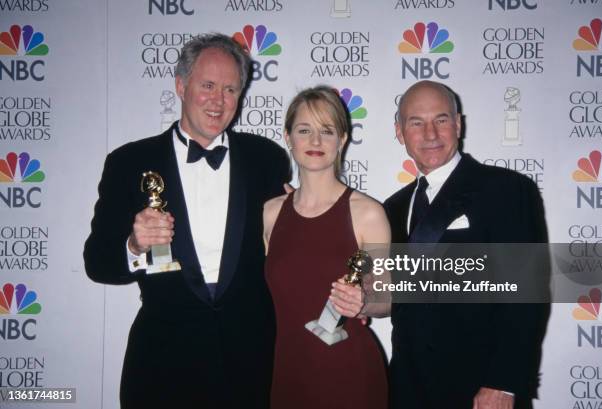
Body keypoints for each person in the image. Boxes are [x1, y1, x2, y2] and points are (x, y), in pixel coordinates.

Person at [83, 34, 290, 408]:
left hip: (248, 362)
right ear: (180, 85)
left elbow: (286, 248)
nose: (219, 100)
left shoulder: (267, 158)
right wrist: (134, 245)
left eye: (230, 89)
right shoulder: (129, 162)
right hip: (162, 363)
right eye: (207, 85)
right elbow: (97, 264)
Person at [382, 80, 549, 409]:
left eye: (441, 120)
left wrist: (502, 383)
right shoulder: (392, 208)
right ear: (400, 132)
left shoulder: (506, 190)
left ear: (458, 124)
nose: (430, 134)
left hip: (480, 389)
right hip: (407, 388)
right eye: (416, 122)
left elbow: (527, 294)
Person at [263, 86, 389, 409]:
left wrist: (363, 302)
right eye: (304, 130)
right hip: (287, 373)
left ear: (342, 139)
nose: (316, 142)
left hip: (350, 374)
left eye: (327, 131)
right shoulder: (271, 212)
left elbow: (386, 297)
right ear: (288, 137)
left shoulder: (368, 212)